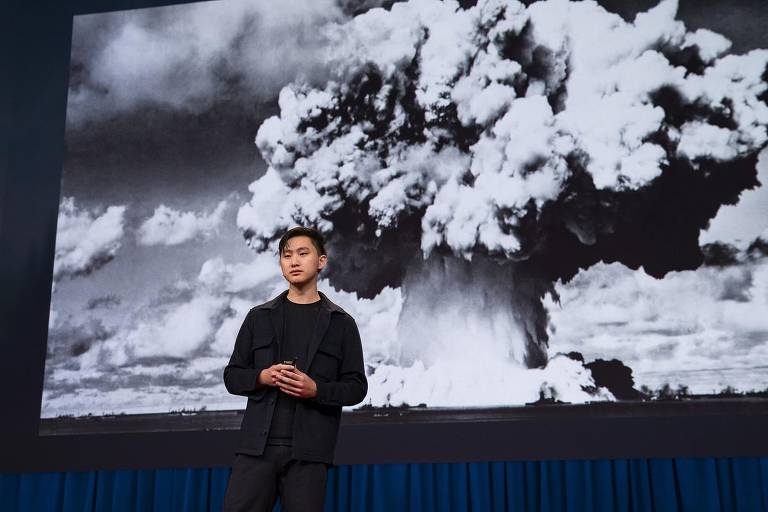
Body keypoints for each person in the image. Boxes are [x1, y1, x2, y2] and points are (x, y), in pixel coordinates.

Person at [221, 226, 368, 512]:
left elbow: (357, 387)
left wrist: (316, 390)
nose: (294, 261)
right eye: (287, 255)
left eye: (303, 253)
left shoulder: (341, 323)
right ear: (280, 264)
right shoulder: (258, 317)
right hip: (255, 451)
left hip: (309, 455)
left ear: (321, 261)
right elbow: (232, 376)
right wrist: (262, 377)